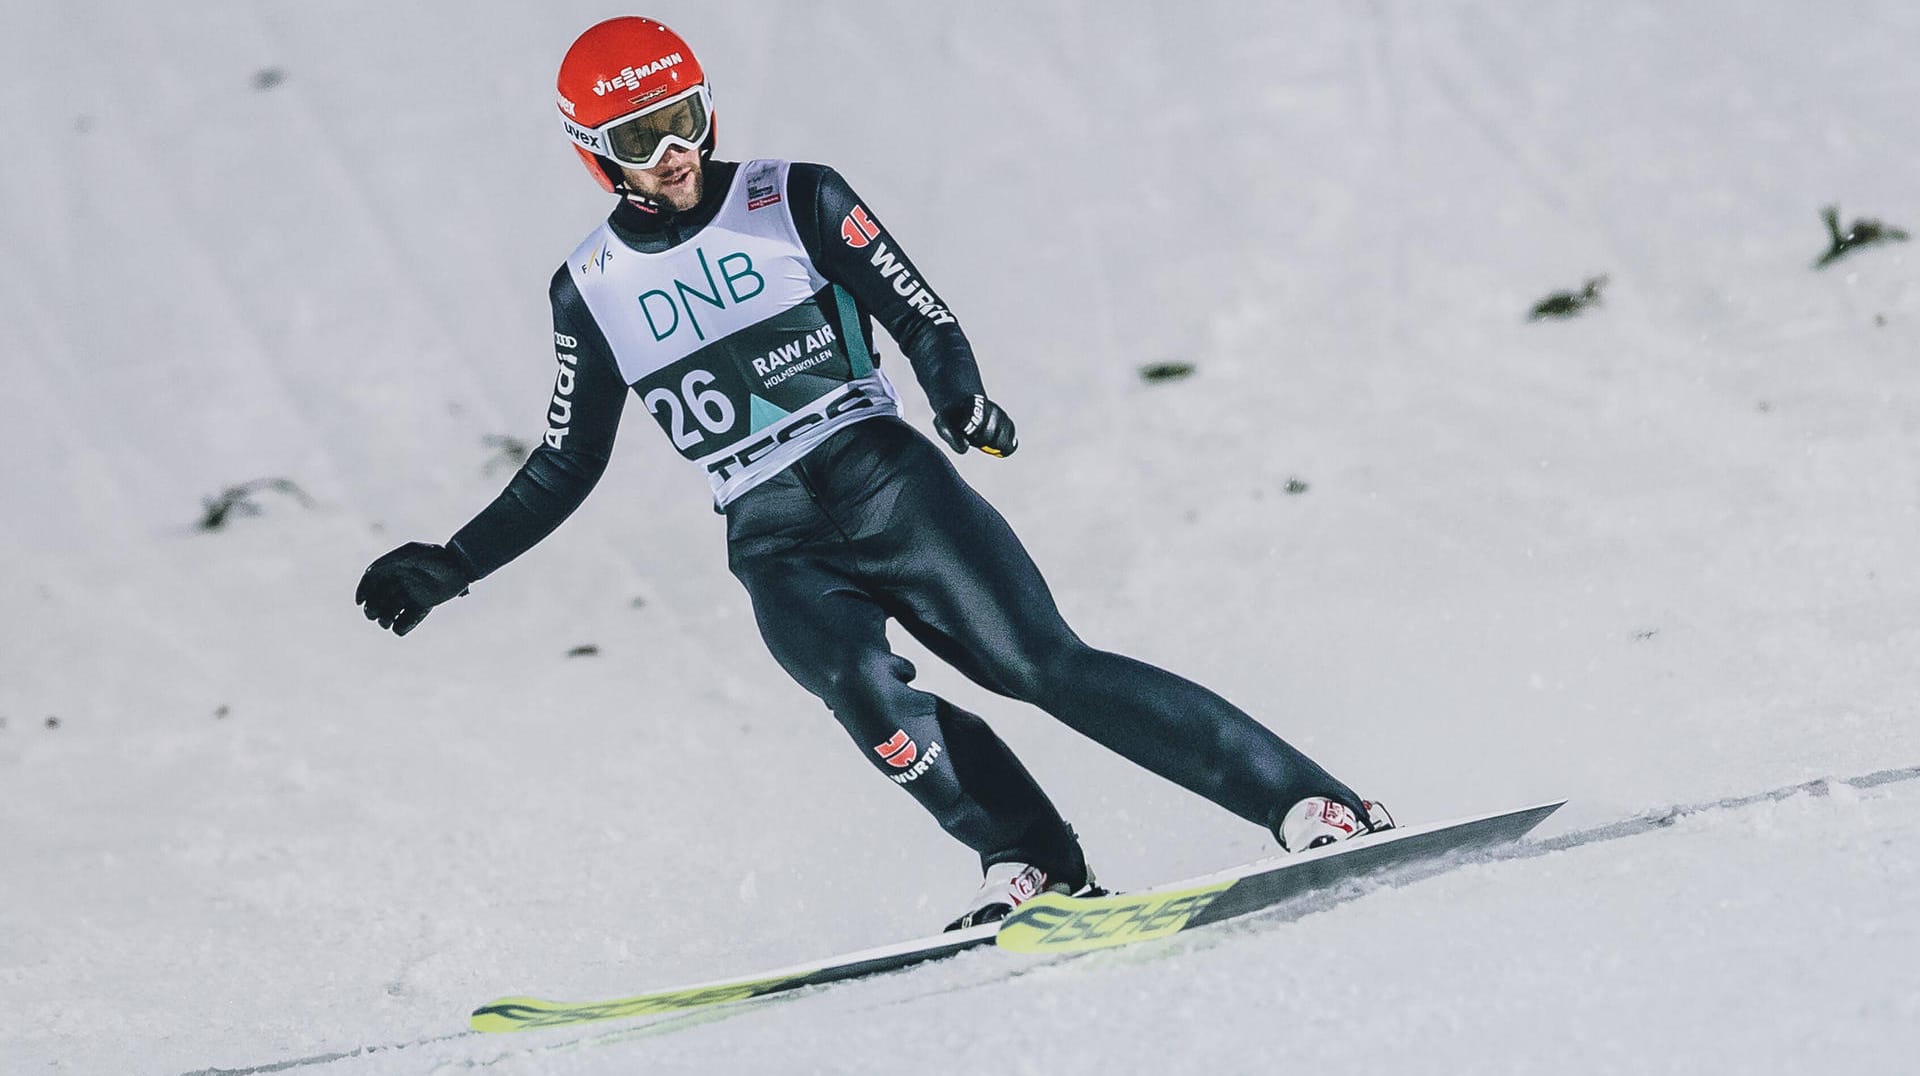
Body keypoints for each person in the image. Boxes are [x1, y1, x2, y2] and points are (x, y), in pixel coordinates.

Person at [356, 16, 1390, 930]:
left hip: (887, 479)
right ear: (596, 156)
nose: (673, 154)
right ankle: (1037, 861)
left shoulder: (792, 196)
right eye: (640, 139)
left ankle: (1308, 800)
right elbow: (564, 462)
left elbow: (920, 313)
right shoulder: (591, 287)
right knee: (861, 693)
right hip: (771, 533)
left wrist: (957, 395)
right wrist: (455, 560)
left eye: (685, 120)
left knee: (1036, 663)